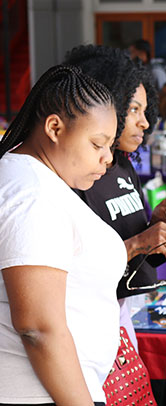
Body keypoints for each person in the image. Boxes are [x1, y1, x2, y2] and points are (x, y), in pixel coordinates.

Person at [0, 65, 124, 405]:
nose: (107, 158)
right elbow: (38, 327)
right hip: (39, 395)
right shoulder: (32, 193)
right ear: (54, 127)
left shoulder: (34, 180)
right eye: (97, 144)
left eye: (110, 145)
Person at [64, 45, 166, 348]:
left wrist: (156, 225)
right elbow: (74, 269)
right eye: (133, 110)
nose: (144, 122)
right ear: (103, 105)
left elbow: (129, 241)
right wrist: (139, 243)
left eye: (145, 111)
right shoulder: (77, 176)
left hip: (121, 311)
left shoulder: (122, 164)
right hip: (84, 323)